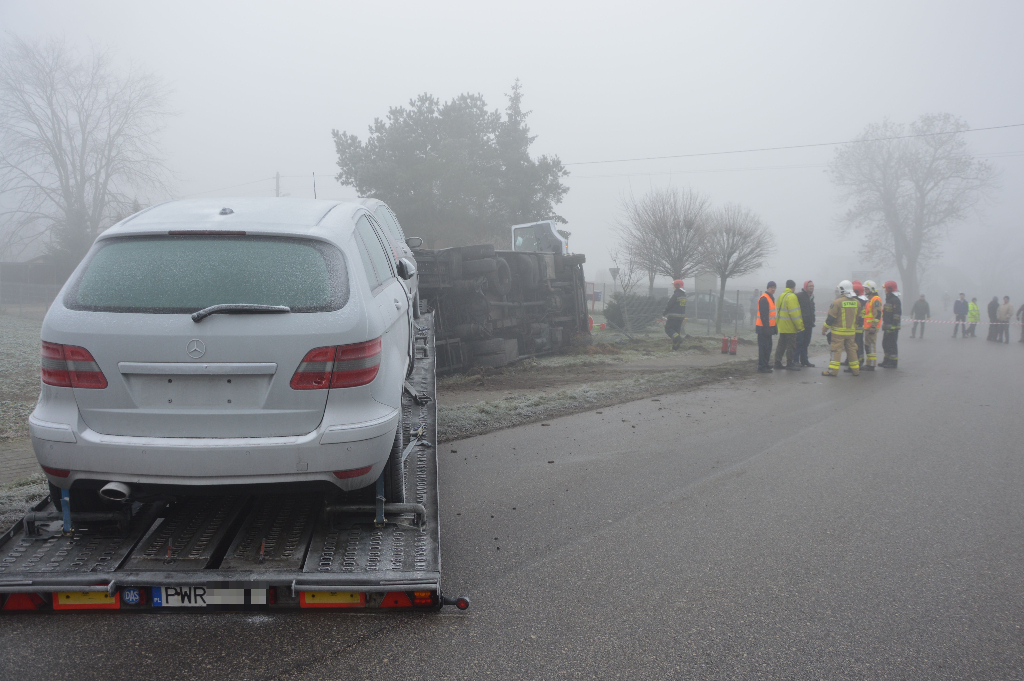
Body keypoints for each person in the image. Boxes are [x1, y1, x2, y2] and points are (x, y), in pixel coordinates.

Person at [821, 280, 862, 377]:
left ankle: (832, 371)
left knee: (836, 351)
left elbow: (830, 318)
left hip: (838, 333)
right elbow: (858, 318)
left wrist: (824, 329)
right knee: (852, 351)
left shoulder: (837, 302)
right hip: (851, 333)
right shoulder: (857, 303)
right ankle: (856, 370)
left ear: (842, 290)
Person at [773, 280, 804, 370]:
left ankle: (777, 362)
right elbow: (794, 314)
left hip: (781, 325)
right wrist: (799, 326)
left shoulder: (781, 296)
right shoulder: (792, 297)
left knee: (781, 345)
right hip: (790, 326)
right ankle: (789, 363)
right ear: (793, 287)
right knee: (791, 345)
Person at [859, 280, 882, 370]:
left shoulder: (875, 299)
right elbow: (866, 312)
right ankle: (869, 363)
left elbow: (878, 314)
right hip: (868, 327)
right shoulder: (870, 300)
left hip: (871, 327)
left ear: (872, 289)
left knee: (871, 345)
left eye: (867, 289)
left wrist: (873, 326)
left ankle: (871, 364)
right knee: (868, 345)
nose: (865, 291)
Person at [755, 281, 777, 373]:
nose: (773, 289)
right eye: (771, 287)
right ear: (767, 288)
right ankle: (762, 366)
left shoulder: (771, 298)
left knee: (768, 347)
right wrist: (767, 328)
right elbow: (764, 316)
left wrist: (774, 327)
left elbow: (772, 315)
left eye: (774, 287)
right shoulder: (764, 298)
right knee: (763, 348)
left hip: (768, 328)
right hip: (763, 328)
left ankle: (765, 364)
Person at [879, 281, 902, 367]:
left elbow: (896, 314)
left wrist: (893, 326)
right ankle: (887, 360)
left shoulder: (895, 300)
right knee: (885, 344)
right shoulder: (889, 299)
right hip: (887, 326)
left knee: (891, 344)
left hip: (892, 327)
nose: (884, 290)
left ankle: (893, 362)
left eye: (885, 289)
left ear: (889, 289)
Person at [795, 280, 815, 367]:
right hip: (801, 324)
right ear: (805, 287)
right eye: (810, 286)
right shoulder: (800, 296)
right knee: (799, 343)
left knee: (806, 343)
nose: (811, 287)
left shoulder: (811, 297)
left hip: (809, 324)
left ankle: (804, 360)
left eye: (812, 286)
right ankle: (795, 360)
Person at [663, 279, 687, 350]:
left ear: (677, 286)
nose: (673, 286)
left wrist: (664, 313)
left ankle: (679, 339)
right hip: (681, 317)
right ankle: (675, 347)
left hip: (673, 316)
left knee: (668, 329)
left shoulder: (676, 295)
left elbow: (669, 305)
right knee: (676, 332)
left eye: (674, 285)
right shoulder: (684, 295)